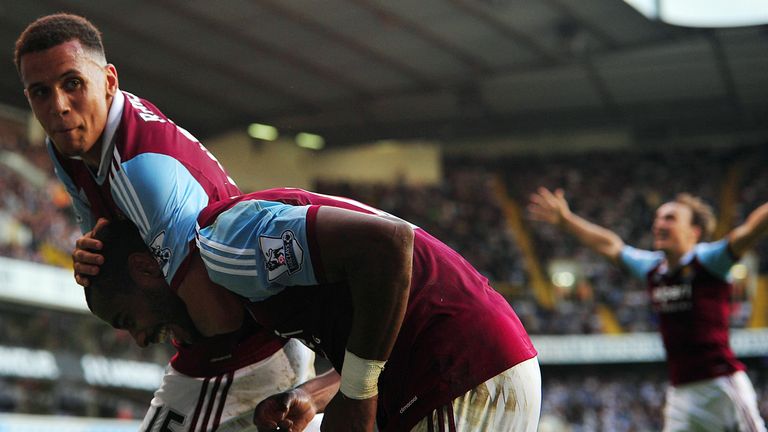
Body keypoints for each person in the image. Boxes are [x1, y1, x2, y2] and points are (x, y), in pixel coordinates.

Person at [15, 13, 316, 431]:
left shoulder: (144, 171)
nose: (58, 106)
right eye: (40, 92)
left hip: (248, 351)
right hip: (226, 352)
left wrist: (146, 307)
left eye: (72, 84)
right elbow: (110, 249)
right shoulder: (65, 147)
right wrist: (91, 259)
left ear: (108, 80)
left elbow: (219, 316)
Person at [87, 187, 542, 432]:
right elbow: (379, 333)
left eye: (127, 320)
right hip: (463, 367)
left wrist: (359, 397)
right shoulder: (238, 273)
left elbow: (388, 246)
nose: (140, 337)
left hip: (457, 371)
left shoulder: (225, 246)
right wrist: (316, 394)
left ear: (147, 269)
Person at [529, 187, 768, 431]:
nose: (659, 224)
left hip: (721, 384)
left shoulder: (709, 261)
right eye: (657, 218)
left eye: (670, 218)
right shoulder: (652, 268)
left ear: (694, 232)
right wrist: (567, 221)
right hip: (681, 392)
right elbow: (610, 245)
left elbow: (750, 229)